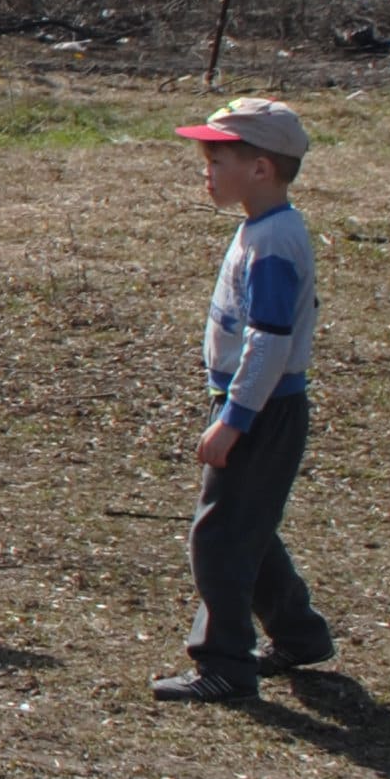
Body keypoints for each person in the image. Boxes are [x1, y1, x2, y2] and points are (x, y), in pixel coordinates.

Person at [152, 97, 337, 704]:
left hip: (259, 410)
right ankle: (298, 633)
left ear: (260, 169)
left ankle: (226, 663)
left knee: (220, 538)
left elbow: (270, 343)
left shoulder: (274, 245)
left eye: (216, 158)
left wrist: (233, 420)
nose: (206, 170)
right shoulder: (264, 229)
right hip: (255, 406)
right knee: (244, 527)